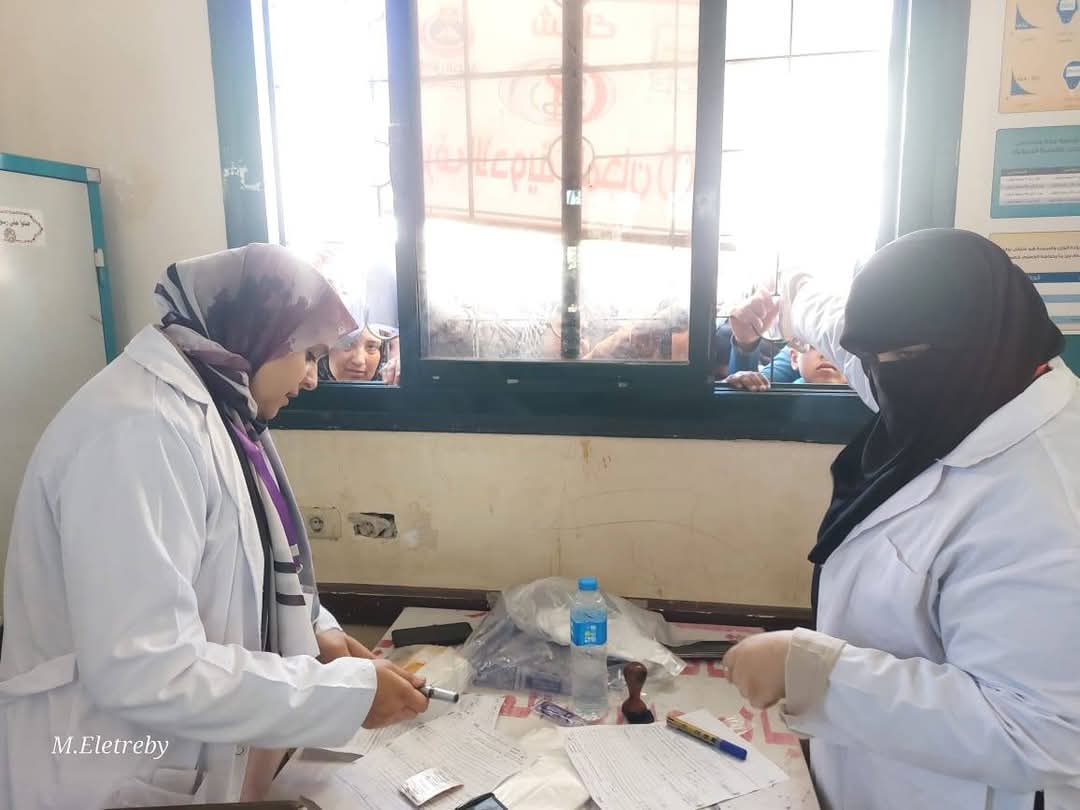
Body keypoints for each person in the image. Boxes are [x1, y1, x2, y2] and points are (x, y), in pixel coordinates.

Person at [0, 244, 429, 808]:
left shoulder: (225, 414)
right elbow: (145, 666)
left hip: (182, 750)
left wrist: (315, 632)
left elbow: (255, 558)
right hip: (102, 757)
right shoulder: (139, 430)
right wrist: (341, 697)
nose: (311, 379)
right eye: (307, 355)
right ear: (260, 332)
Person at [721, 229, 1080, 810]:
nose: (879, 373)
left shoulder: (1052, 503)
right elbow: (847, 338)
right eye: (874, 360)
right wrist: (797, 294)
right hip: (869, 775)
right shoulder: (966, 384)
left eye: (896, 360)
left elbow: (1039, 731)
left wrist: (813, 674)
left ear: (968, 347)